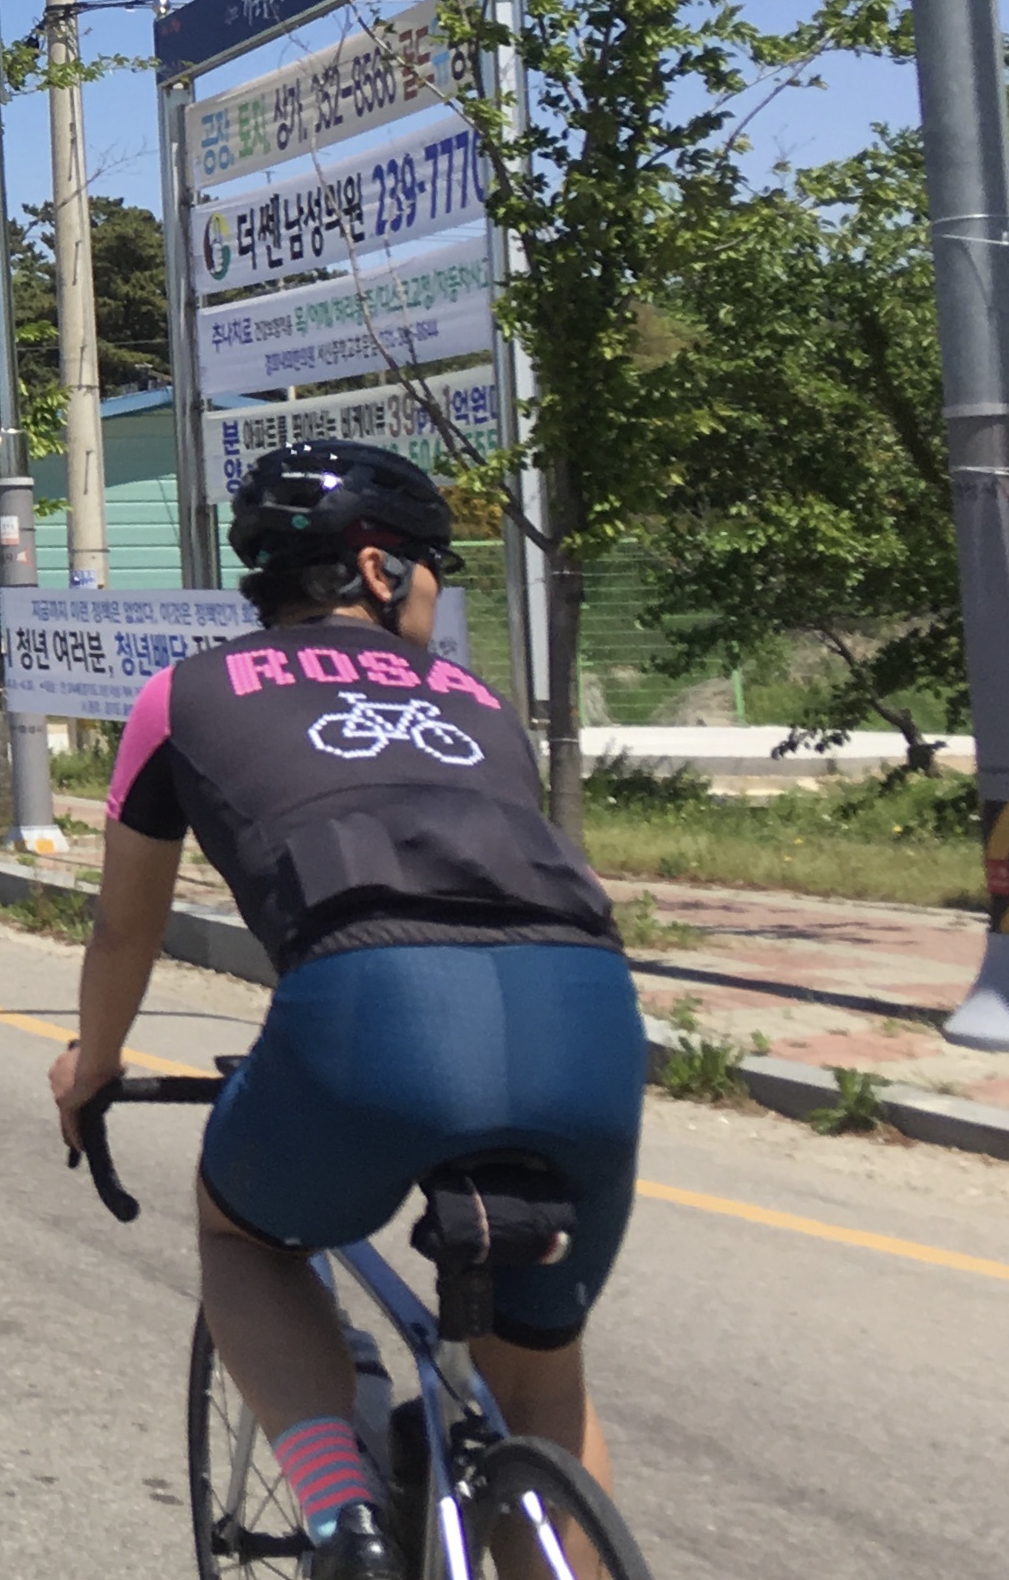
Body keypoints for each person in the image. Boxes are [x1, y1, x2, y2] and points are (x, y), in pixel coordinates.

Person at [47, 442, 638, 1580]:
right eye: (434, 567)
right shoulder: (481, 702)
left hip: (373, 1011)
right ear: (377, 568)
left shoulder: (183, 694)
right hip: (588, 1012)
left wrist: (94, 1065)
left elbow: (124, 929)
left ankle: (344, 1522)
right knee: (539, 1379)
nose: (437, 593)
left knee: (243, 1236)